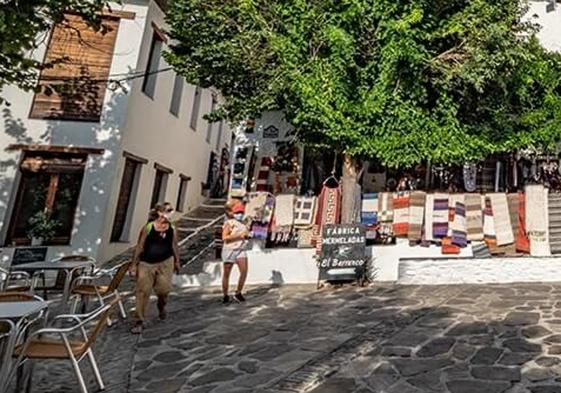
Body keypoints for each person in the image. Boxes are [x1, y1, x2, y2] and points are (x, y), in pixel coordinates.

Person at [130, 208, 180, 333]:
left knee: (164, 289)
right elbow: (140, 246)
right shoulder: (148, 228)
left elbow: (174, 245)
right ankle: (139, 321)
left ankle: (161, 306)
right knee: (143, 291)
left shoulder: (172, 228)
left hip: (165, 262)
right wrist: (134, 264)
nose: (169, 214)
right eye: (167, 211)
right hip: (146, 263)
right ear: (158, 213)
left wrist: (177, 261)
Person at [221, 200, 250, 304]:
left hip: (240, 249)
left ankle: (238, 292)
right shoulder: (229, 223)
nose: (240, 215)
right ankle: (225, 294)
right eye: (238, 213)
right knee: (227, 273)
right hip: (230, 249)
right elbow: (225, 237)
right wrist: (239, 236)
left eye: (241, 213)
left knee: (244, 271)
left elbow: (245, 235)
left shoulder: (244, 224)